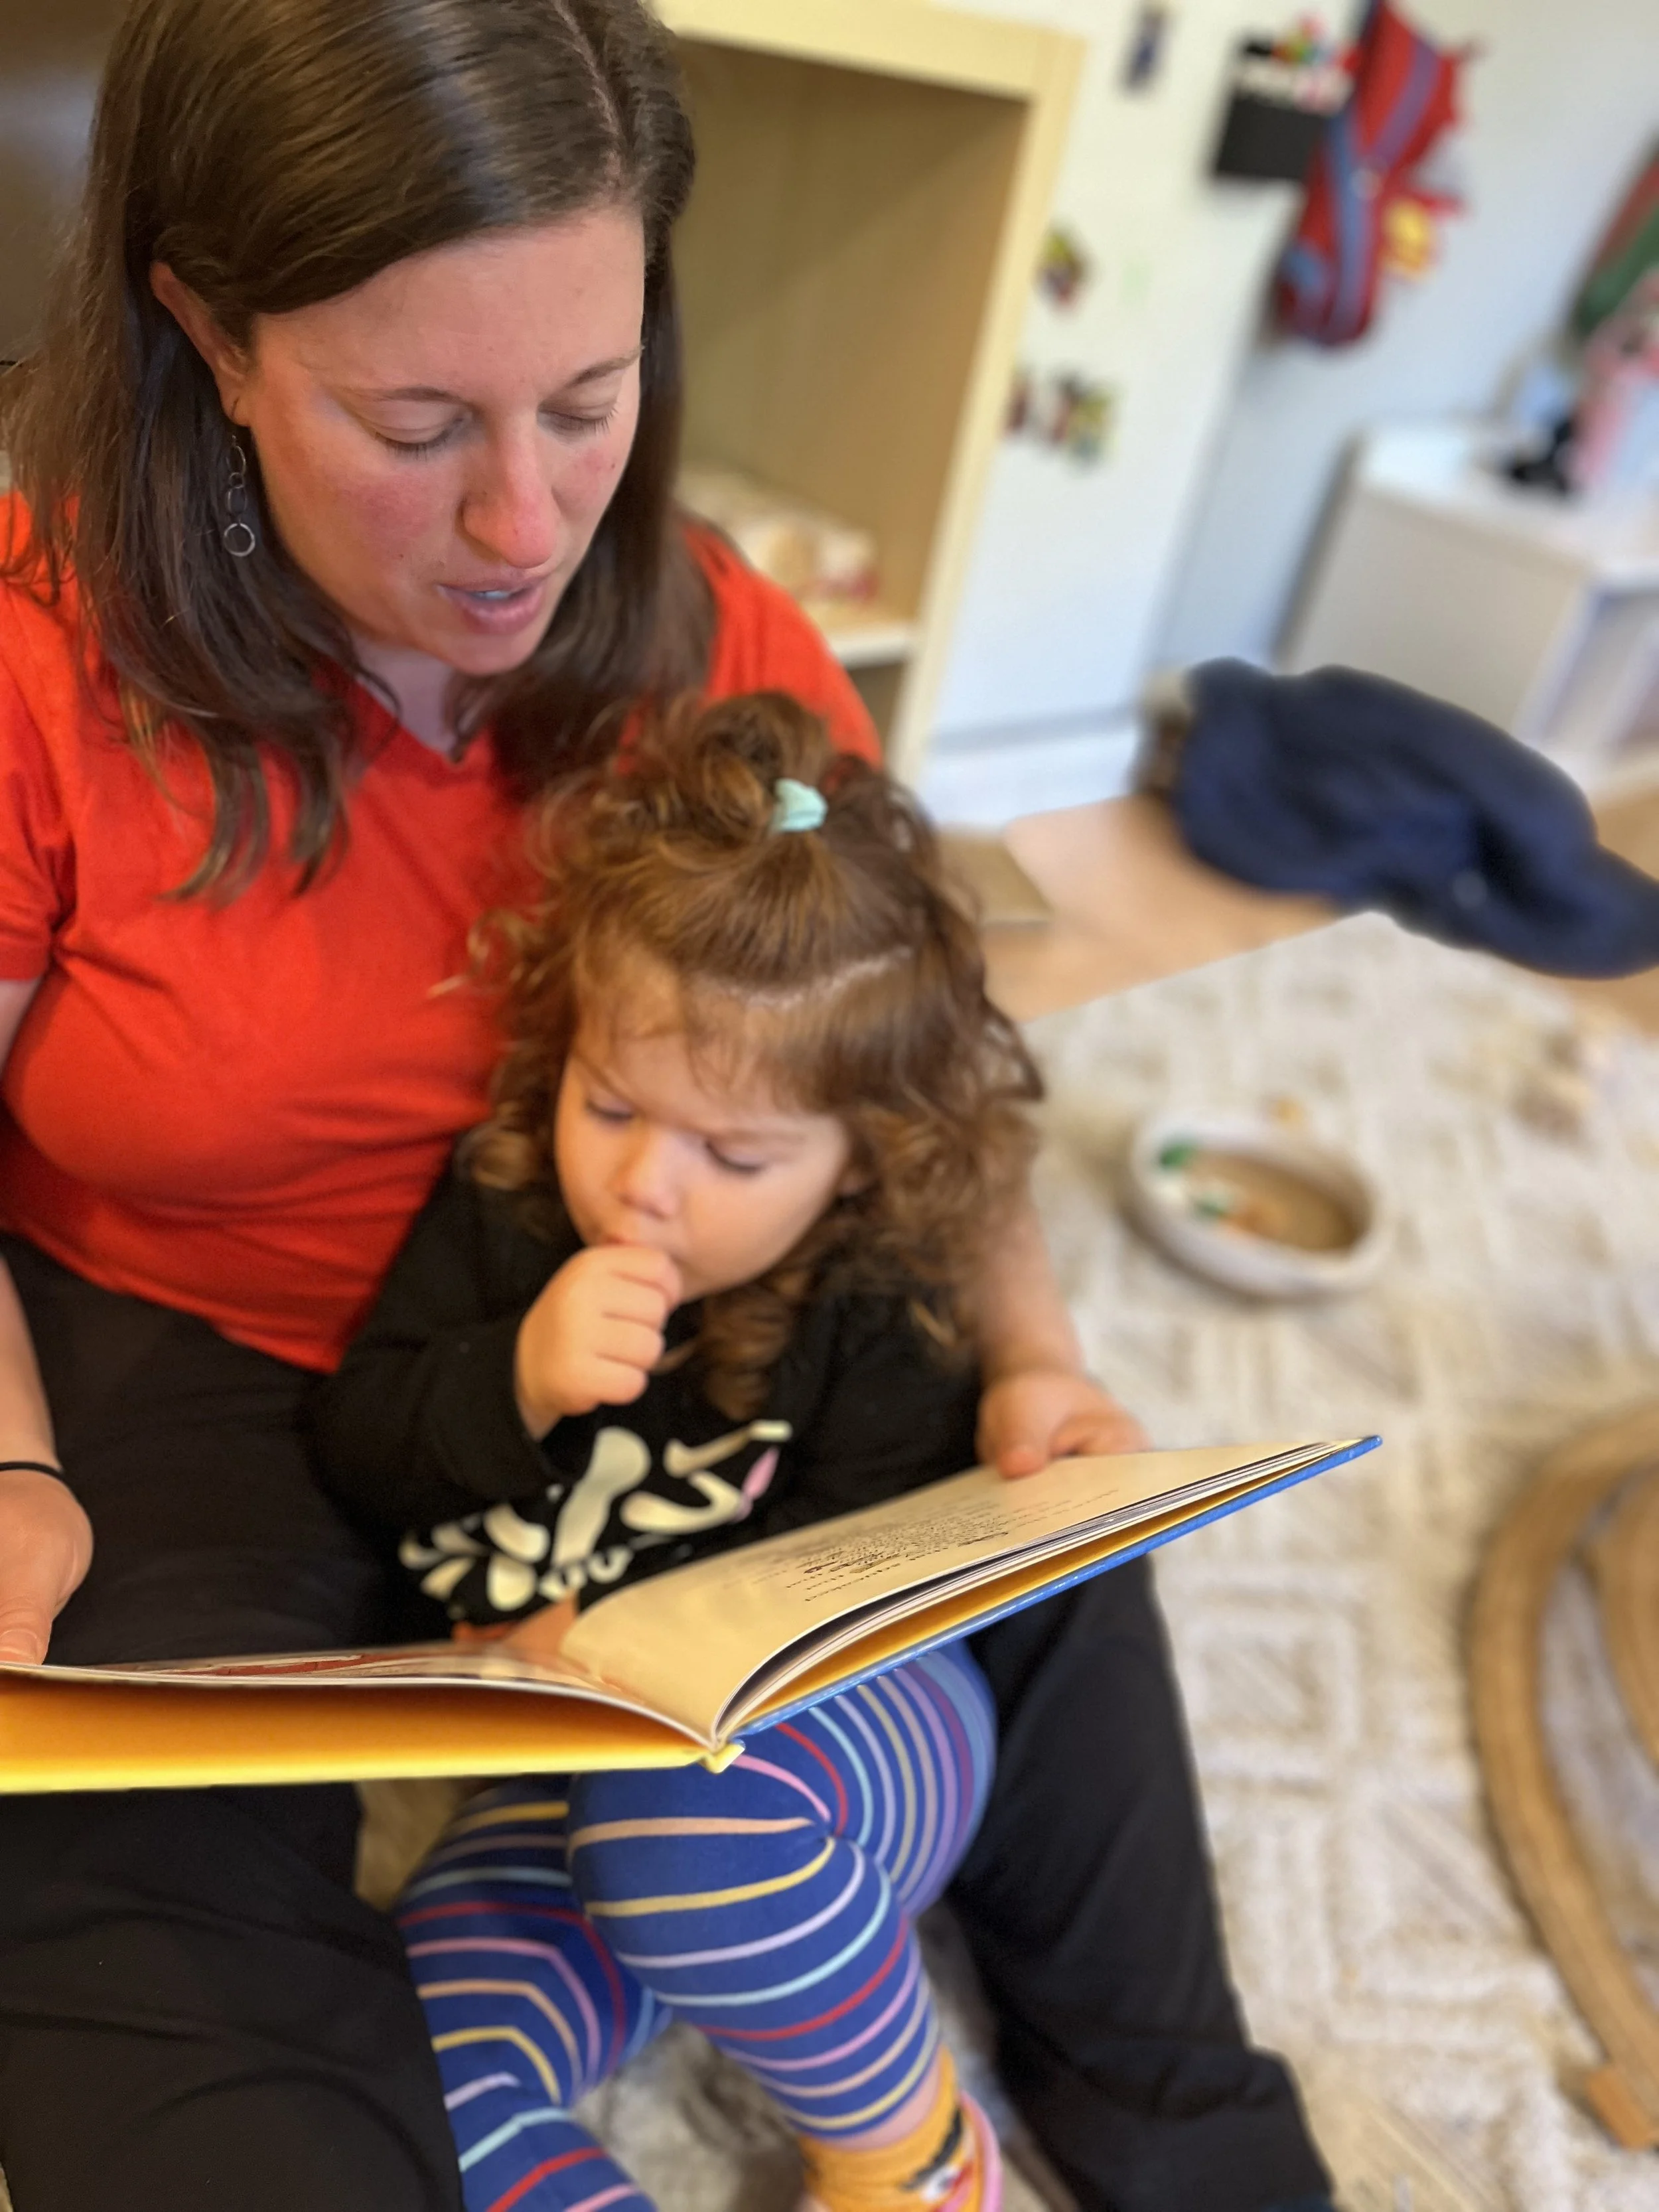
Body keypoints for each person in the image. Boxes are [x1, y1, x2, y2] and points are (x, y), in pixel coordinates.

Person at [0, 0, 1330, 2207]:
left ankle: (1169, 2145)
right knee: (119, 1928)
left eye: (589, 401)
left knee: (1052, 1545)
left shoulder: (718, 639)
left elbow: (928, 1081)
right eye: (415, 420)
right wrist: (11, 1459)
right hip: (197, 1363)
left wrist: (1037, 1368)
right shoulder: (43, 653)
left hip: (666, 1327)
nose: (523, 520)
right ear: (213, 340)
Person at [316, 691, 1037, 2211]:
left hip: (825, 1755)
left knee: (677, 1820)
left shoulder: (872, 1296)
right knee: (399, 2069)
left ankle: (911, 2156)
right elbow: (362, 1448)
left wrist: (626, 1640)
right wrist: (510, 1377)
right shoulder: (514, 1208)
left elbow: (871, 1589)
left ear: (860, 1160)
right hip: (552, 1773)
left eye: (735, 1154)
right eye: (610, 1104)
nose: (642, 1185)